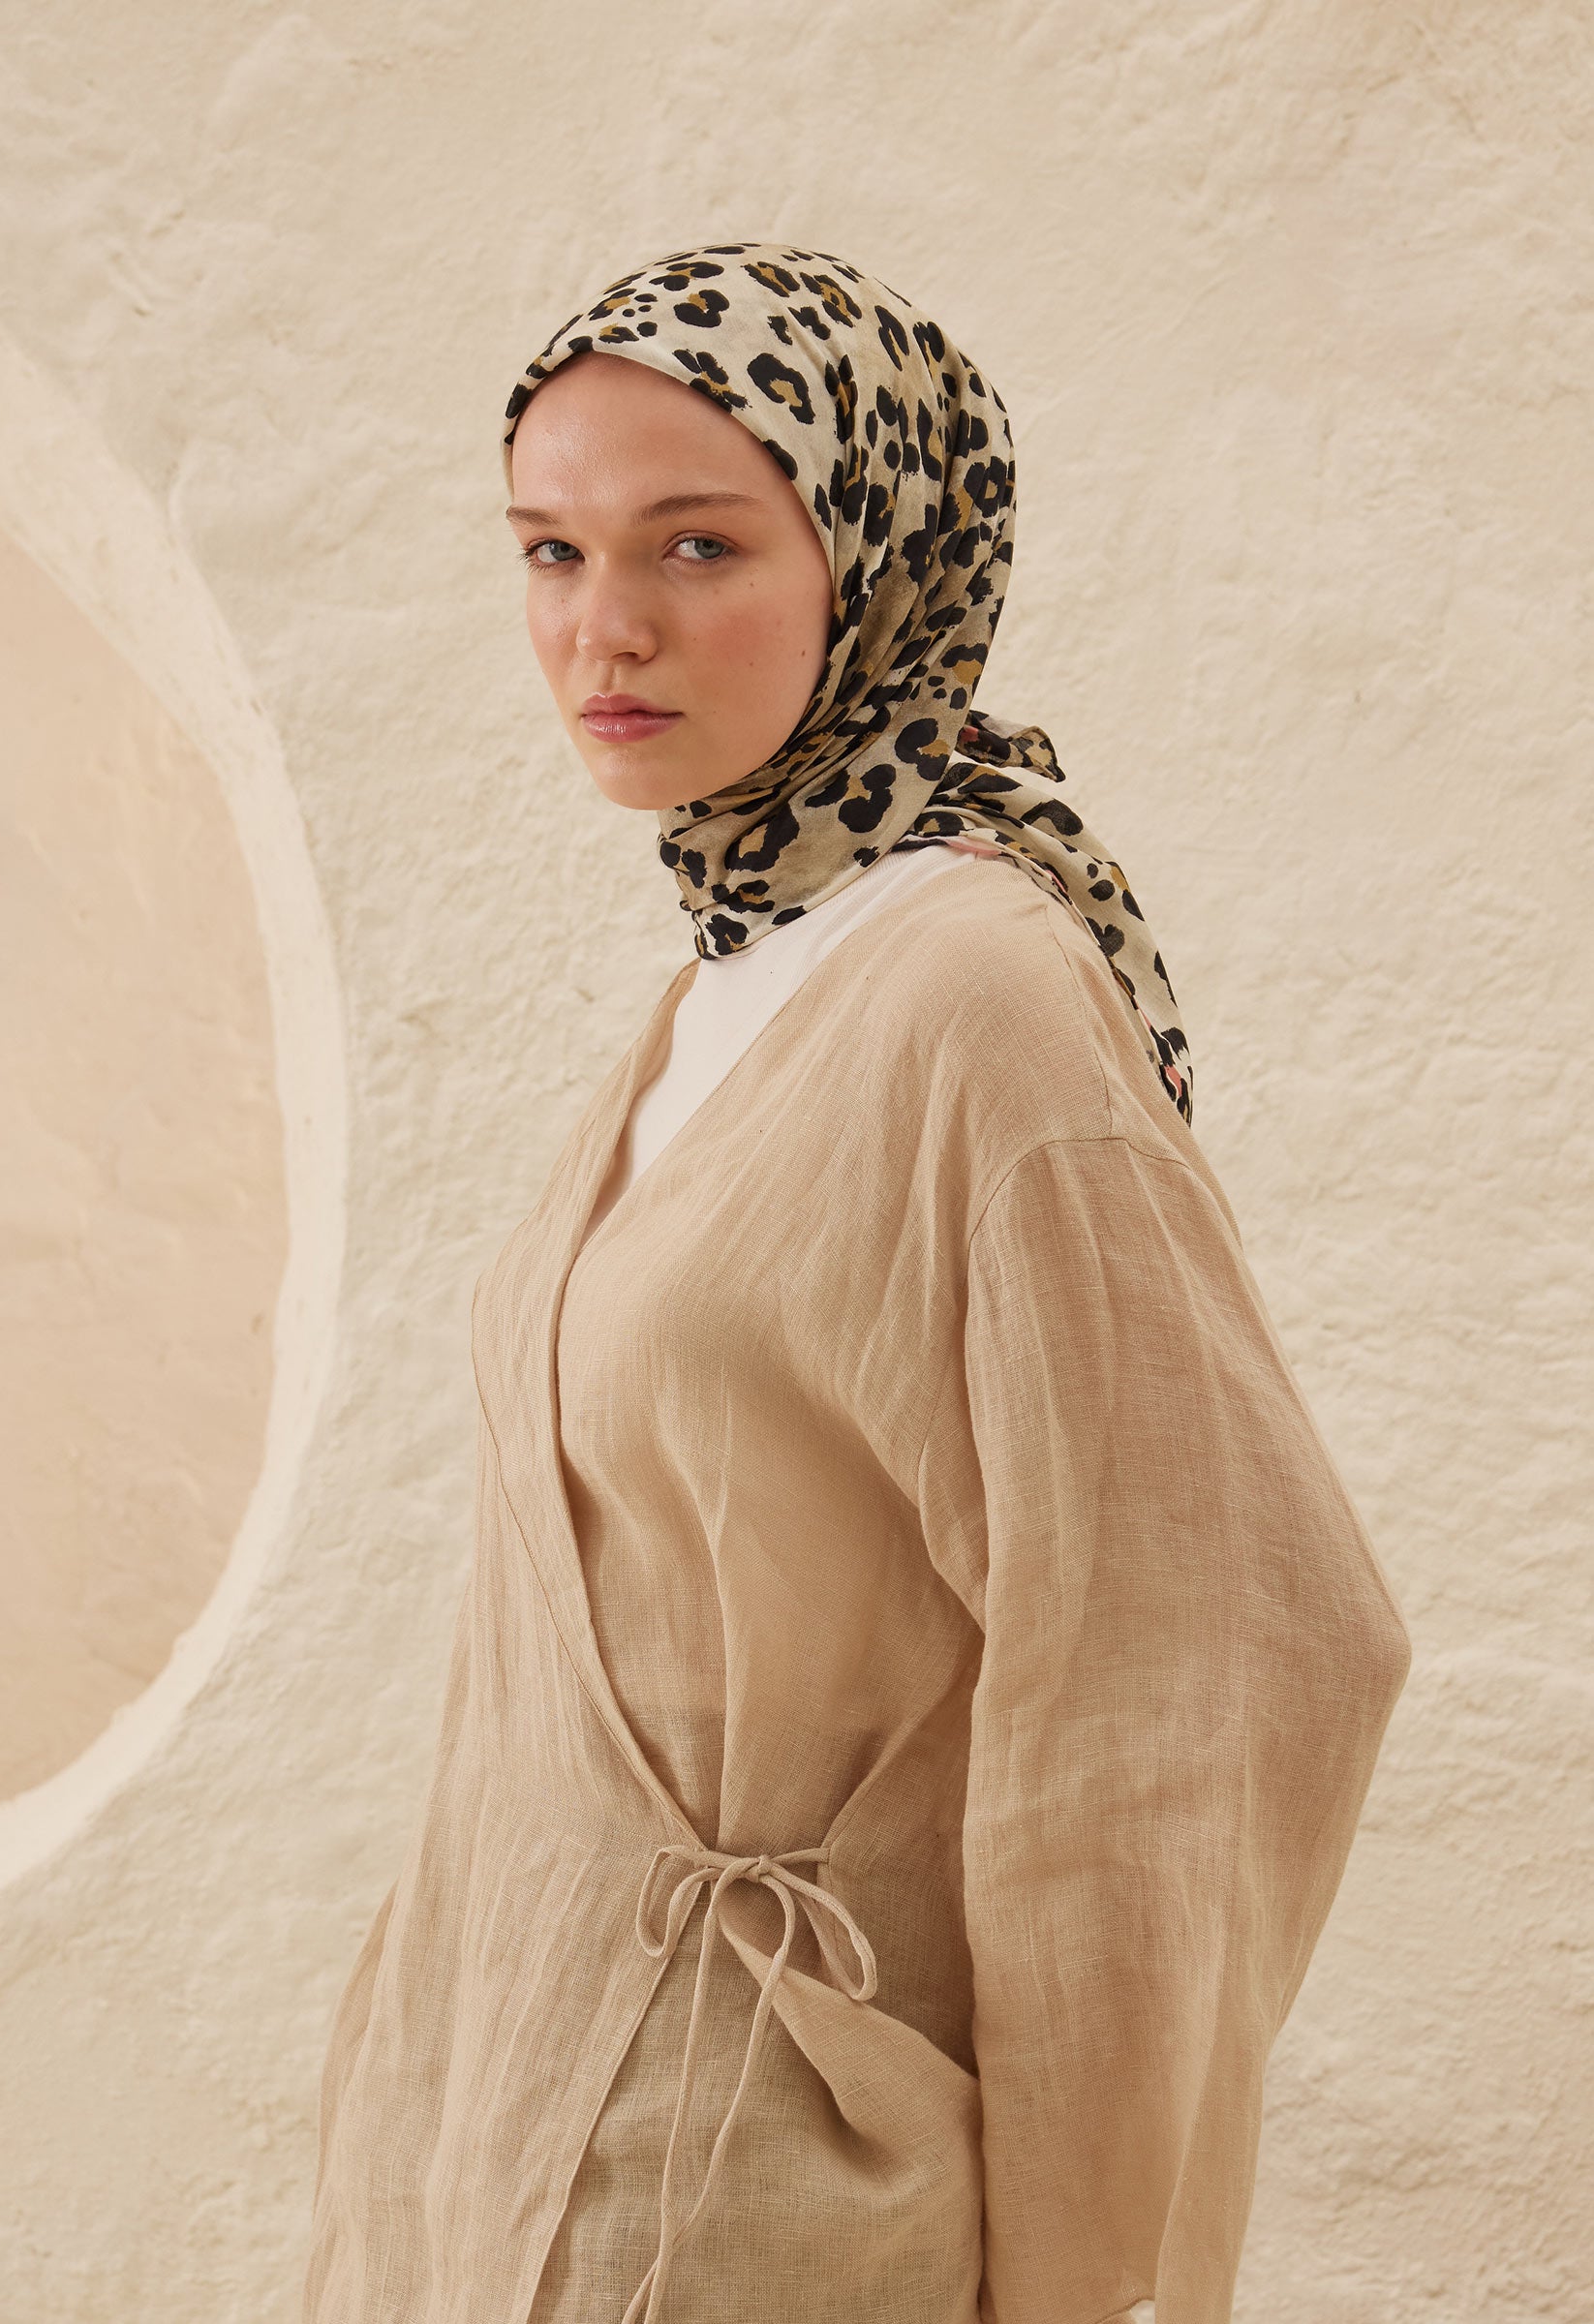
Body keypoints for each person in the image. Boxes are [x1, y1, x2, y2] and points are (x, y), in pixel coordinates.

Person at [301, 241, 1413, 2324]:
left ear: (876, 561)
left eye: (696, 544)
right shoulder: (736, 972)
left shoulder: (975, 993)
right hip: (498, 2118)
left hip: (760, 2192)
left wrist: (1075, 2261)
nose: (602, 627)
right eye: (548, 550)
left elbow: (1202, 1658)